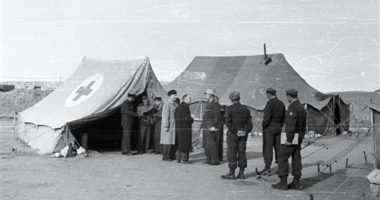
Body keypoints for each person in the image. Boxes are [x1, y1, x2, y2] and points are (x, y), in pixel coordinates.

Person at [272, 89, 306, 190]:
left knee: (281, 157)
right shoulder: (302, 107)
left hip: (292, 137)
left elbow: (291, 125)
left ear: (289, 96)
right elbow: (304, 126)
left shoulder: (293, 107)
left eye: (287, 97)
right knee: (296, 158)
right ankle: (296, 181)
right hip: (299, 136)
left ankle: (283, 182)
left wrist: (289, 139)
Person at [221, 91, 253, 180]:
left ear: (231, 99)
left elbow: (228, 122)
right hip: (243, 135)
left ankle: (232, 173)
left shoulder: (229, 109)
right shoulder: (245, 109)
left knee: (232, 152)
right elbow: (249, 123)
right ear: (239, 98)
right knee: (242, 152)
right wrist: (245, 131)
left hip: (233, 134)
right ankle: (242, 173)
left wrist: (235, 131)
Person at [257, 88, 285, 175]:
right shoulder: (281, 103)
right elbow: (284, 117)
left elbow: (267, 118)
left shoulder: (269, 103)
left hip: (269, 129)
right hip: (278, 128)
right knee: (278, 148)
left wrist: (263, 126)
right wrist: (280, 125)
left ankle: (267, 168)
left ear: (269, 94)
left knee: (267, 148)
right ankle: (280, 167)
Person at [201, 89, 221, 165]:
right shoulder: (209, 104)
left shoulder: (214, 104)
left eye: (206, 95)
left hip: (210, 126)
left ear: (210, 96)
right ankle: (208, 158)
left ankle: (215, 160)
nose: (205, 96)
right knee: (206, 143)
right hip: (206, 126)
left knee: (212, 143)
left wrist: (214, 126)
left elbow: (217, 116)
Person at [174, 94, 194, 164]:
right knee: (185, 143)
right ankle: (184, 159)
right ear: (184, 99)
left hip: (178, 128)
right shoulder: (186, 107)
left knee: (179, 143)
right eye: (189, 98)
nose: (190, 100)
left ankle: (178, 159)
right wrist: (192, 119)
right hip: (185, 128)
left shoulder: (178, 107)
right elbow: (187, 118)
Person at [161, 90, 178, 161]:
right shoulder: (167, 104)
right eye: (174, 95)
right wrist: (166, 125)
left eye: (175, 95)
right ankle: (165, 156)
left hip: (174, 125)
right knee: (167, 141)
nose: (175, 96)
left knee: (172, 141)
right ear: (170, 96)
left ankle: (172, 155)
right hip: (169, 125)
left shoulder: (175, 104)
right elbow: (165, 115)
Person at [215, 96, 225, 161]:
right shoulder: (219, 107)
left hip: (218, 126)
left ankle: (218, 157)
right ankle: (218, 157)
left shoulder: (220, 107)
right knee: (218, 141)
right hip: (218, 125)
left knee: (218, 141)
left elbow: (223, 116)